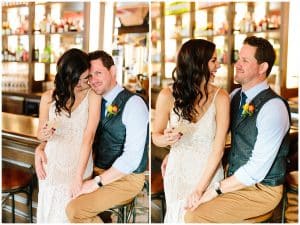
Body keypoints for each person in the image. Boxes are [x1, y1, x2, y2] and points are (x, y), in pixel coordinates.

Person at [184, 36, 291, 222]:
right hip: (234, 180)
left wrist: (215, 189)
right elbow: (211, 135)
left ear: (263, 68)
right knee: (187, 198)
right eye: (238, 58)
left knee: (195, 216)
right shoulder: (234, 96)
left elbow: (256, 170)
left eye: (245, 60)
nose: (237, 64)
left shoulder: (274, 108)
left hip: (262, 189)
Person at [35, 50, 149, 223]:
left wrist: (94, 181)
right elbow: (46, 133)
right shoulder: (86, 94)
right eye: (90, 75)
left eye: (98, 73)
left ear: (112, 71)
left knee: (73, 210)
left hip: (124, 176)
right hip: (81, 168)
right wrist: (41, 146)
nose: (92, 80)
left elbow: (131, 159)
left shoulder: (134, 104)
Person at [152, 39, 230, 223]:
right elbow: (156, 137)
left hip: (208, 175)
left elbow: (218, 150)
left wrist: (199, 189)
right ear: (198, 63)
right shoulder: (167, 95)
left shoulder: (221, 97)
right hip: (177, 173)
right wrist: (166, 139)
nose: (218, 66)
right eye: (213, 60)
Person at [36, 48, 101, 222]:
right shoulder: (48, 98)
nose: (82, 84)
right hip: (52, 167)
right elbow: (40, 136)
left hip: (79, 167)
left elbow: (89, 137)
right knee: (51, 214)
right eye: (76, 80)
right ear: (66, 76)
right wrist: (42, 138)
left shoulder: (93, 96)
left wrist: (78, 177)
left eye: (85, 78)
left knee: (72, 216)